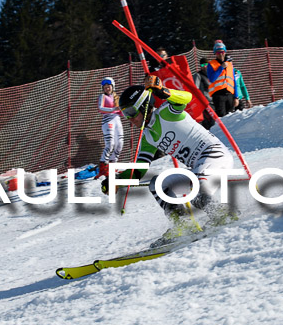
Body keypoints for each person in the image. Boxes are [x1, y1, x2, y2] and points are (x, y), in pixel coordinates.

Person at [101, 75, 237, 242]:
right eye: (124, 114)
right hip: (197, 168)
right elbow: (140, 169)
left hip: (215, 156)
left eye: (130, 112)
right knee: (157, 184)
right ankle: (182, 225)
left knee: (197, 192)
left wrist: (163, 91)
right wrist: (117, 180)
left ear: (143, 106)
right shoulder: (148, 137)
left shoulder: (166, 113)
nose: (129, 118)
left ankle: (223, 215)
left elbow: (187, 97)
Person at [96, 77, 124, 179]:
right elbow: (100, 108)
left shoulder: (116, 97)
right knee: (110, 144)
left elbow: (121, 112)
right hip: (108, 120)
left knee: (120, 144)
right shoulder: (102, 96)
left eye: (109, 87)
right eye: (105, 87)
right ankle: (103, 167)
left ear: (113, 87)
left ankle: (113, 166)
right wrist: (113, 109)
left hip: (117, 120)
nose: (107, 89)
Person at [206, 40, 236, 118]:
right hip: (218, 95)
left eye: (222, 52)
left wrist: (236, 97)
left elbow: (234, 81)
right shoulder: (211, 64)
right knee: (222, 117)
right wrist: (221, 68)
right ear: (215, 53)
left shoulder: (229, 64)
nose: (221, 54)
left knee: (231, 116)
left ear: (225, 52)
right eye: (218, 52)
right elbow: (212, 78)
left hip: (229, 94)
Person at [192, 57, 215, 130]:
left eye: (206, 64)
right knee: (210, 121)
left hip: (214, 100)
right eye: (202, 65)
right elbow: (195, 88)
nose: (204, 66)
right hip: (205, 102)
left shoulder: (211, 75)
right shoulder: (198, 75)